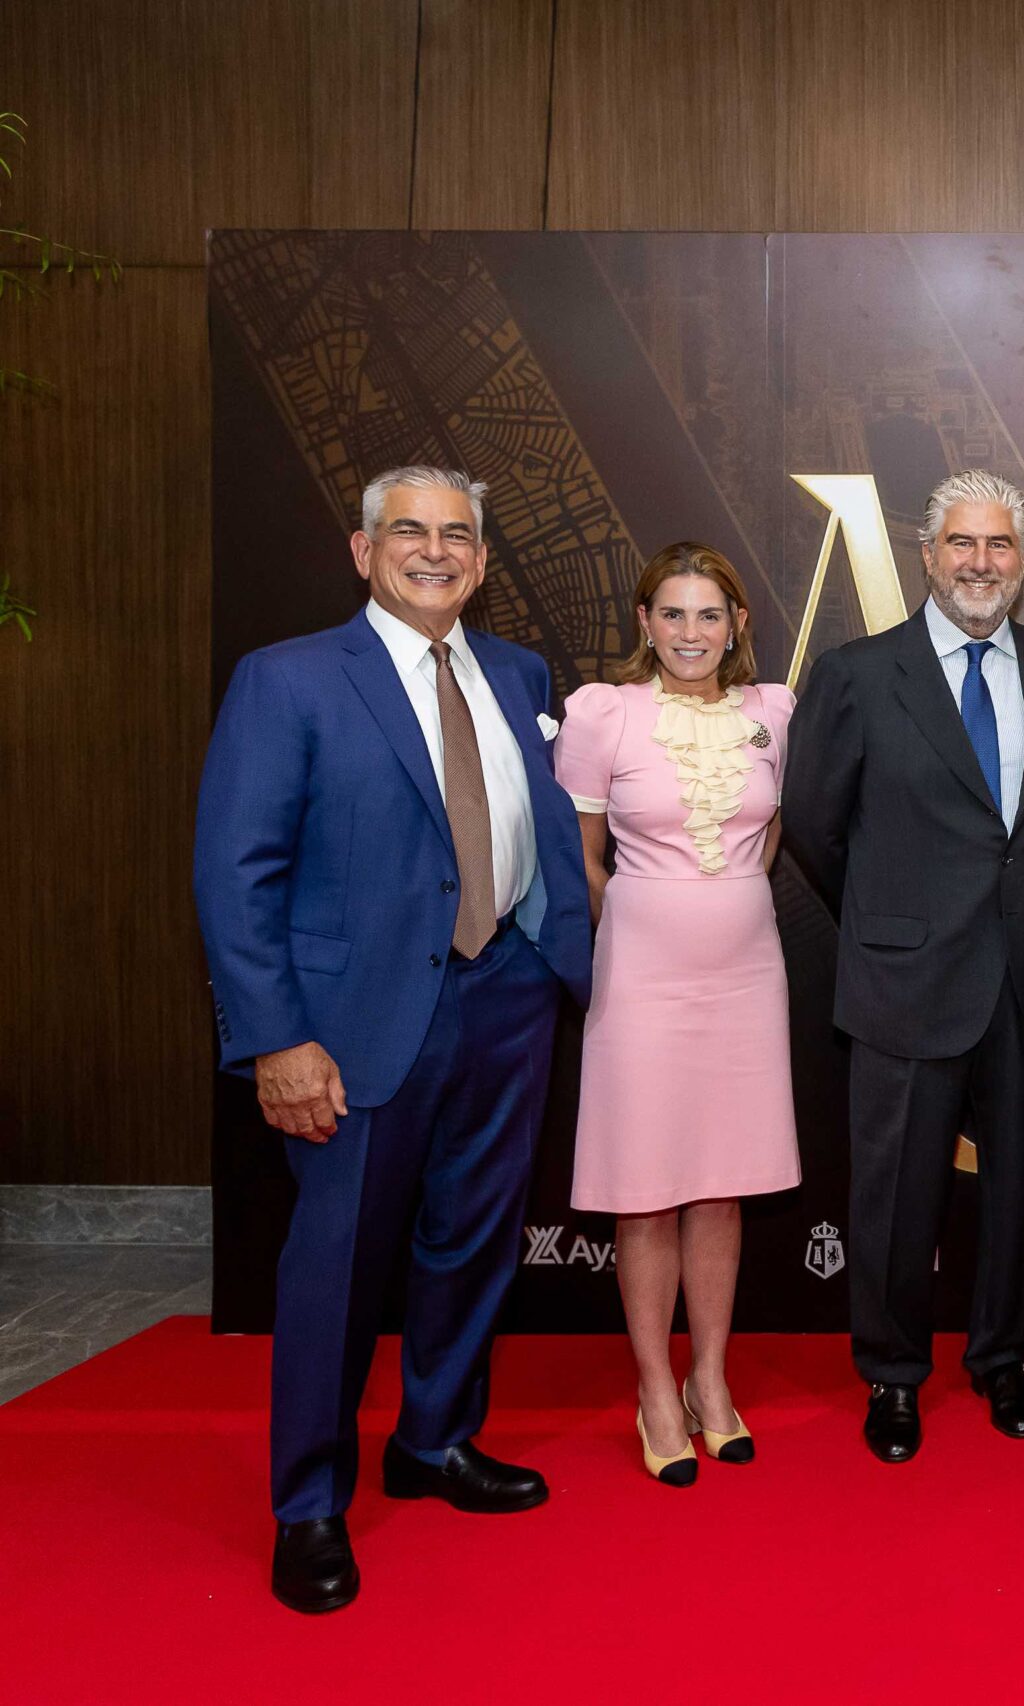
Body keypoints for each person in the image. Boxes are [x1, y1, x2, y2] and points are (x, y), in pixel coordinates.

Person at [194, 465, 593, 1613]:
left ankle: (434, 1440)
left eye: (457, 534)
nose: (435, 550)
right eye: (408, 532)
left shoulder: (517, 672)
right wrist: (275, 1035)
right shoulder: (289, 679)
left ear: (480, 555)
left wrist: (554, 960)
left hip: (506, 996)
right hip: (354, 1023)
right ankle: (308, 1502)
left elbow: (533, 823)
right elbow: (235, 870)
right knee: (336, 1267)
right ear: (363, 552)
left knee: (472, 1240)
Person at [782, 469, 1024, 1464]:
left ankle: (1002, 1358)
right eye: (962, 543)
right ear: (927, 553)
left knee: (1017, 1189)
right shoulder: (858, 673)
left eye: (999, 545)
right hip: (902, 973)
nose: (980, 563)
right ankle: (892, 1372)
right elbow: (816, 829)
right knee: (893, 1192)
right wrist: (890, 919)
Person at [556, 542, 800, 1486]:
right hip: (642, 976)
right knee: (647, 1186)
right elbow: (582, 858)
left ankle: (712, 1379)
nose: (691, 633)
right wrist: (638, 934)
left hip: (747, 970)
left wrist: (722, 904)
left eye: (710, 615)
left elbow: (768, 834)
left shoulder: (772, 712)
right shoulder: (602, 712)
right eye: (673, 615)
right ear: (645, 622)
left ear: (737, 623)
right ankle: (656, 1389)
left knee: (721, 1183)